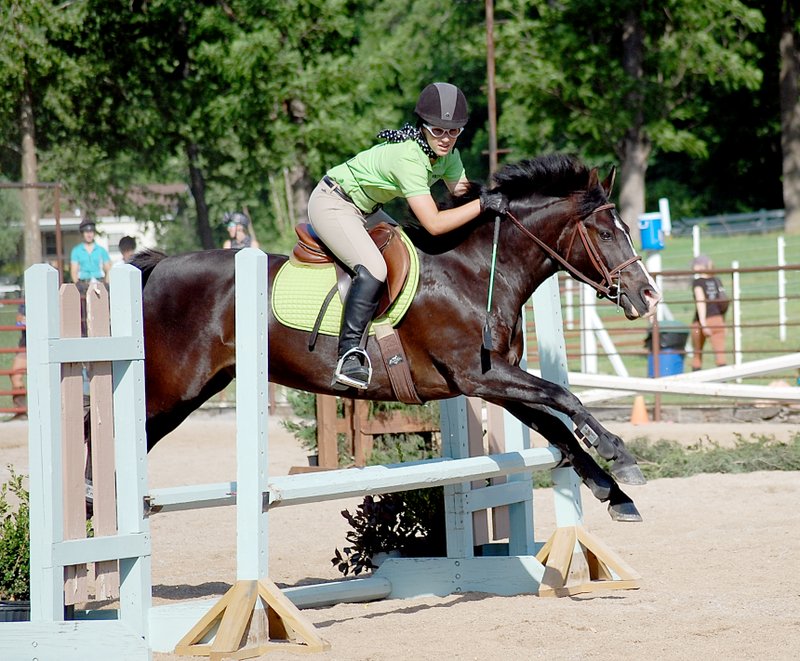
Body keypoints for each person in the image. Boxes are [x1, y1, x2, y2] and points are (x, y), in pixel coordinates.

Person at [307, 82, 508, 390]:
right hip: (333, 202)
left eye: (454, 131)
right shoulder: (409, 158)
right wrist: (483, 205)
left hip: (366, 207)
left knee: (415, 255)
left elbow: (465, 199)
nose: (446, 139)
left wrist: (499, 202)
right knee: (374, 268)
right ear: (423, 126)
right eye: (438, 130)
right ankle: (348, 354)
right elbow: (435, 224)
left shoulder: (448, 157)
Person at [690, 254, 728, 370]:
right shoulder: (717, 280)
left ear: (701, 266)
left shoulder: (698, 282)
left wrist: (703, 323)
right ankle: (723, 381)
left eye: (695, 264)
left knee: (697, 354)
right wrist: (722, 320)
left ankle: (696, 380)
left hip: (702, 321)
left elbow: (700, 302)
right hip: (718, 319)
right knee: (720, 354)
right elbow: (724, 301)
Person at [70, 218, 112, 284]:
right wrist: (78, 285)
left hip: (99, 282)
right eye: (86, 232)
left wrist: (106, 283)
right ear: (82, 233)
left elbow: (108, 269)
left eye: (91, 232)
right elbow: (74, 271)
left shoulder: (101, 250)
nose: (89, 235)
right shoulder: (76, 251)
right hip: (83, 283)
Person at [9, 303, 26, 419]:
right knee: (15, 375)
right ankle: (21, 411)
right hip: (26, 345)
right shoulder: (26, 303)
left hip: (45, 344)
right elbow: (19, 321)